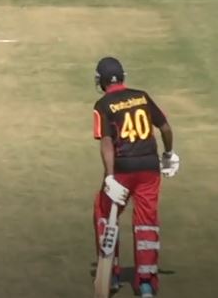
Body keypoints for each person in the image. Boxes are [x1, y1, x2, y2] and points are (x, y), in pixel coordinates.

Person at [91, 57, 179, 298]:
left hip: (122, 168)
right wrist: (168, 154)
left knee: (103, 213)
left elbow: (107, 142)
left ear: (101, 81)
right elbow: (165, 127)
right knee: (146, 222)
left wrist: (110, 178)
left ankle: (111, 274)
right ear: (123, 76)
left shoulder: (103, 104)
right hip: (149, 167)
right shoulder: (142, 96)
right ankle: (146, 282)